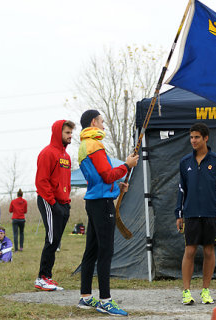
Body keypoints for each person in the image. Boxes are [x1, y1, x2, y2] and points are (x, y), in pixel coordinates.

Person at [77, 109, 139, 317]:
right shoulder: (94, 144)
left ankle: (85, 296)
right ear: (94, 122)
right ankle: (105, 300)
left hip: (95, 201)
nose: (104, 126)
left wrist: (116, 187)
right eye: (102, 122)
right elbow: (106, 175)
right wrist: (127, 165)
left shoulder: (84, 144)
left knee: (92, 251)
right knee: (106, 251)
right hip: (102, 205)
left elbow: (99, 180)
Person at [175, 123, 216, 305]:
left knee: (208, 251)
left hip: (211, 214)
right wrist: (179, 214)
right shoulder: (185, 162)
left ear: (206, 138)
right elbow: (181, 190)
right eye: (191, 137)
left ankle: (205, 291)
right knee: (189, 250)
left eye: (197, 137)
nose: (193, 140)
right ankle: (186, 291)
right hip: (191, 214)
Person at [34, 120, 75, 291]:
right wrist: (53, 203)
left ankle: (48, 277)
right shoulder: (47, 153)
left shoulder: (66, 156)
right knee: (51, 239)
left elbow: (65, 181)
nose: (70, 136)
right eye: (67, 133)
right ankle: (41, 278)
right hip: (48, 200)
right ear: (58, 133)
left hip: (62, 202)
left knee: (56, 240)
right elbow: (41, 182)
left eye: (71, 133)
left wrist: (66, 202)